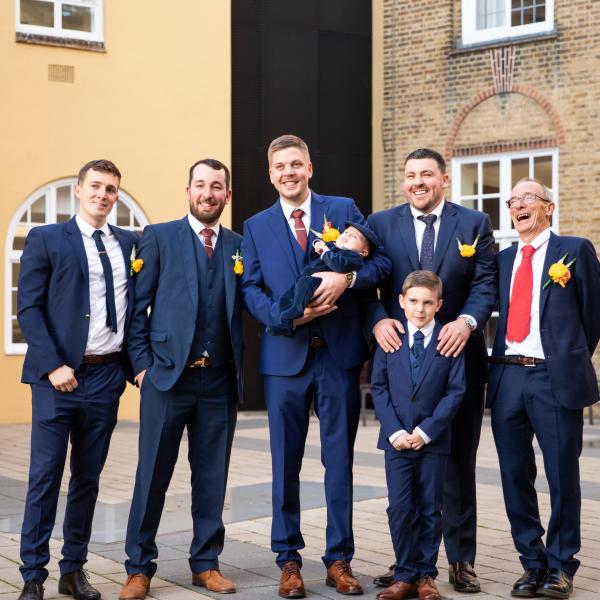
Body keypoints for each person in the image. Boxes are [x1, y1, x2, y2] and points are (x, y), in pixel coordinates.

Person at [241, 134, 391, 598]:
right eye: (280, 166)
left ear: (310, 168)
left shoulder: (343, 208)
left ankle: (339, 560)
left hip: (339, 357)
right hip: (285, 358)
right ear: (271, 174)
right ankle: (288, 560)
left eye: (296, 164)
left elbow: (381, 262)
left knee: (339, 461)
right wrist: (287, 316)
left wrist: (347, 278)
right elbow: (251, 288)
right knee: (285, 464)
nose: (289, 172)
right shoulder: (255, 224)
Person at [366, 148, 496, 592]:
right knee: (406, 473)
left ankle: (461, 559)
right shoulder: (382, 224)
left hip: (456, 362)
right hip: (402, 361)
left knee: (457, 463)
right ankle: (410, 563)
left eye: (426, 175)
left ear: (444, 180)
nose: (417, 182)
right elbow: (366, 282)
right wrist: (378, 318)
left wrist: (466, 321)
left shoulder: (473, 224)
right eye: (410, 175)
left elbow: (485, 283)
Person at [118, 159, 243, 599]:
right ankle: (138, 567)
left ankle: (205, 563)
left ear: (227, 195)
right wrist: (141, 367)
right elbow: (138, 308)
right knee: (151, 475)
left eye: (216, 187)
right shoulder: (158, 237)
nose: (207, 193)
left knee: (212, 476)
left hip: (219, 381)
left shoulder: (238, 246)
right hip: (166, 379)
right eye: (200, 185)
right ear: (187, 190)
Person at [17, 160, 137, 600]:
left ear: (116, 196)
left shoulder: (129, 243)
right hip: (56, 381)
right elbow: (28, 307)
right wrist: (53, 365)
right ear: (78, 189)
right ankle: (33, 575)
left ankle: (73, 571)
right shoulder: (47, 238)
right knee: (45, 477)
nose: (103, 195)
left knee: (88, 480)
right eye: (96, 187)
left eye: (111, 190)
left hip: (106, 378)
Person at [487, 178, 600, 599]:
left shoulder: (575, 250)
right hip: (507, 376)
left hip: (553, 377)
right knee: (514, 475)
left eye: (527, 198)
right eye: (512, 200)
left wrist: (568, 356)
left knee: (561, 475)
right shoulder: (501, 260)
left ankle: (561, 565)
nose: (518, 205)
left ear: (548, 207)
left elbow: (593, 315)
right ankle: (531, 563)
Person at [371, 270, 465, 600]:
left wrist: (425, 432)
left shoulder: (447, 341)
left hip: (432, 441)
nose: (420, 309)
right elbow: (379, 387)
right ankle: (405, 572)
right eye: (413, 302)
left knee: (429, 508)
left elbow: (455, 392)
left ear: (439, 304)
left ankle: (426, 574)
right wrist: (395, 430)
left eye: (427, 303)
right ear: (401, 301)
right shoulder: (390, 339)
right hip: (395, 441)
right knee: (399, 508)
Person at [268, 221, 381, 335]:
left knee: (305, 284)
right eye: (346, 232)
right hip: (304, 280)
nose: (347, 236)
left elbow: (339, 265)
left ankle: (297, 309)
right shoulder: (332, 246)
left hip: (319, 283)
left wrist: (326, 251)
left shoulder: (353, 257)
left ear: (364, 252)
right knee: (285, 299)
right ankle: (286, 325)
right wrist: (317, 245)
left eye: (354, 237)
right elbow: (311, 258)